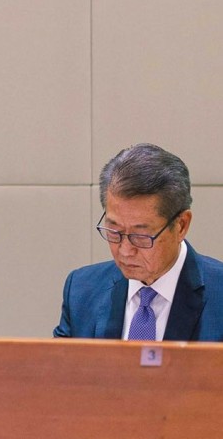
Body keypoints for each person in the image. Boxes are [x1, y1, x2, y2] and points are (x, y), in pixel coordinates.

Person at [55, 143, 223, 341]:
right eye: (115, 231)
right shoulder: (82, 290)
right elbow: (58, 370)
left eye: (141, 236)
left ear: (181, 226)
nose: (125, 251)